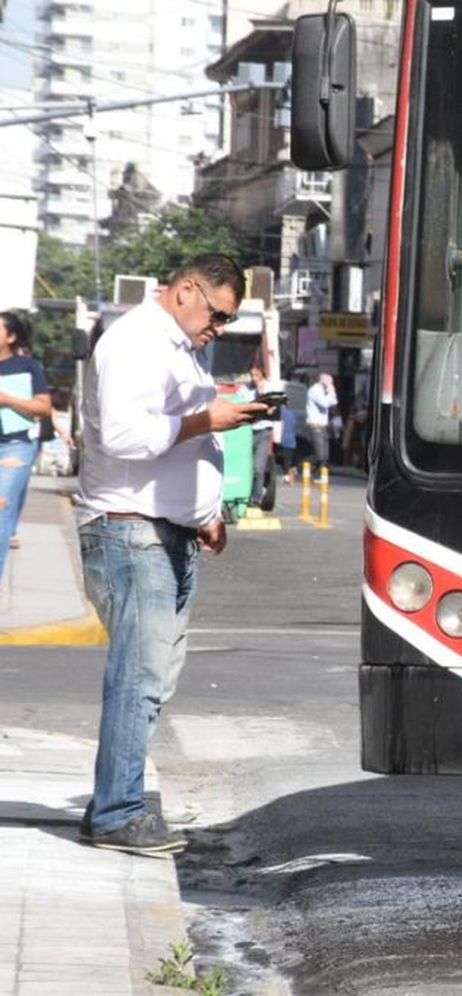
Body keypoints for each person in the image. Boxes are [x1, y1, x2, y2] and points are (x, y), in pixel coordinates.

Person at [75, 253, 266, 856]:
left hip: (164, 532)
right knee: (139, 677)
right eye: (218, 314)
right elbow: (126, 437)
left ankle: (116, 796)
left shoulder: (179, 347)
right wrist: (207, 418)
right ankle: (117, 813)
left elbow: (176, 437)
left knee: (153, 678)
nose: (220, 329)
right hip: (131, 533)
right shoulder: (136, 342)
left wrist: (203, 512)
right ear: (187, 289)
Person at [0, 311, 53, 578]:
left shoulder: (27, 367)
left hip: (15, 445)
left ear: (10, 337)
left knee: (1, 506)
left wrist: (8, 400)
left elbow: (44, 408)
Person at [237, 364, 276, 507]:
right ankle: (243, 495)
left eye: (256, 376)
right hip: (247, 430)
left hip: (264, 430)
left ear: (262, 375)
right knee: (244, 466)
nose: (254, 379)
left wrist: (261, 393)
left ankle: (256, 498)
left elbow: (272, 408)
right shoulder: (245, 388)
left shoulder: (269, 387)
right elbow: (239, 403)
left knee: (258, 468)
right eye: (252, 376)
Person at [304, 371, 338, 472]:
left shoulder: (324, 391)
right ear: (324, 381)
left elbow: (334, 403)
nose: (331, 385)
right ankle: (298, 466)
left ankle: (320, 475)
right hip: (315, 426)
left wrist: (331, 393)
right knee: (319, 455)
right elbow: (324, 403)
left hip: (323, 426)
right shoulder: (314, 390)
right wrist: (331, 393)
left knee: (325, 456)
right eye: (330, 382)